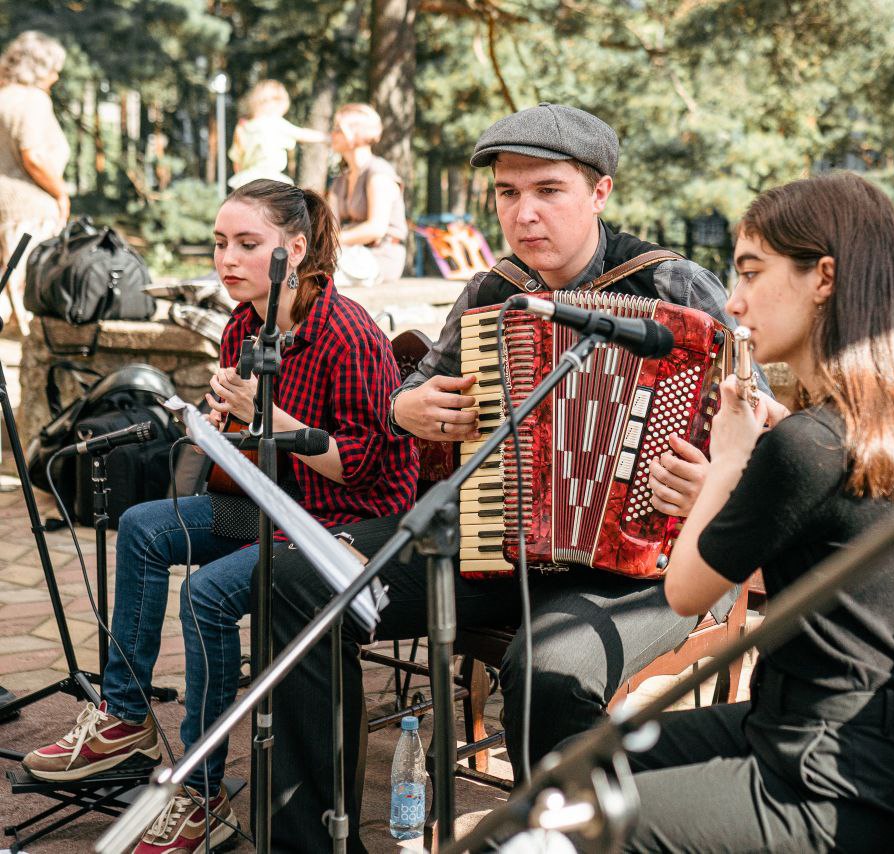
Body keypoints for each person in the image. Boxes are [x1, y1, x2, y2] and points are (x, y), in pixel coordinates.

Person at [267, 102, 744, 852]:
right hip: (496, 538)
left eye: (547, 191)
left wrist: (712, 480)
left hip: (654, 565)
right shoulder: (495, 289)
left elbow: (758, 432)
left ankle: (560, 842)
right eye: (507, 193)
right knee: (298, 578)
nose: (523, 214)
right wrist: (408, 407)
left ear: (600, 193)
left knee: (547, 671)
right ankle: (310, 841)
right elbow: (408, 390)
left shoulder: (676, 286)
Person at [22, 179, 418, 854]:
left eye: (246, 243)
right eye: (219, 242)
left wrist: (260, 417)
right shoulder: (244, 322)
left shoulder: (345, 333)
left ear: (294, 250)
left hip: (344, 522)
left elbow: (363, 468)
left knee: (207, 594)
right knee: (146, 526)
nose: (226, 257)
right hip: (273, 501)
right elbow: (251, 444)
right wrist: (217, 425)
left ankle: (201, 791)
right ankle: (125, 714)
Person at [605, 172, 894, 853]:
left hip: (820, 779)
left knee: (583, 824)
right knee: (594, 764)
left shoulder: (804, 446)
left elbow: (687, 591)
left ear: (824, 278)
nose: (735, 301)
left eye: (751, 273)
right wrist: (761, 464)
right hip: (877, 746)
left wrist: (728, 462)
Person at [0, 30, 69, 336]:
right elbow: (33, 155)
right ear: (40, 67)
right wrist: (60, 192)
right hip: (29, 206)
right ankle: (34, 349)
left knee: (6, 278)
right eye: (53, 68)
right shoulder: (32, 100)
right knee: (27, 280)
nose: (56, 77)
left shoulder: (3, 96)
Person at [328, 103, 407, 287]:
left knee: (317, 274)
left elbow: (376, 228)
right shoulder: (340, 182)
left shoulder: (378, 173)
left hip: (380, 256)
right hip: (348, 252)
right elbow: (331, 227)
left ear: (355, 133)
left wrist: (328, 243)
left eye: (338, 129)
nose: (333, 134)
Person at [227, 79, 327, 189]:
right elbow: (302, 134)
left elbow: (237, 160)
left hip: (246, 181)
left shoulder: (242, 128)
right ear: (275, 103)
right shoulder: (276, 123)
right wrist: (325, 137)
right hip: (271, 179)